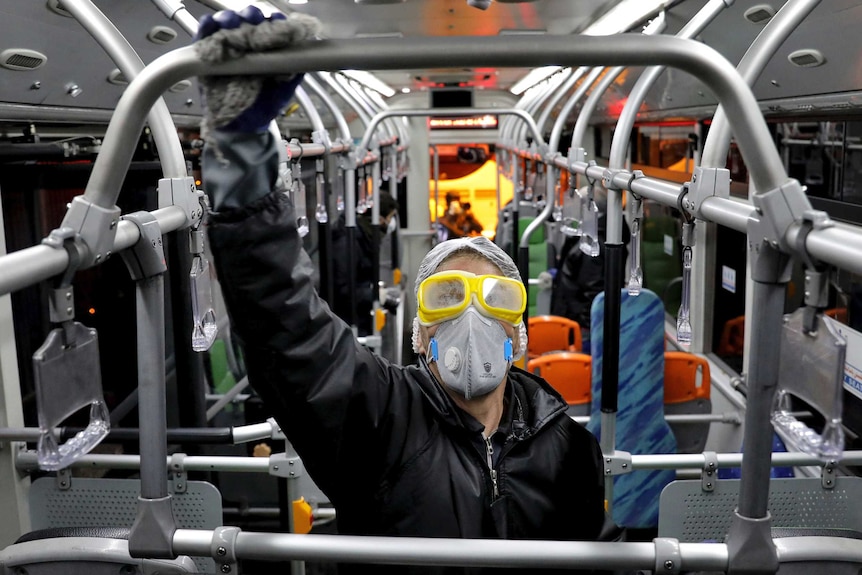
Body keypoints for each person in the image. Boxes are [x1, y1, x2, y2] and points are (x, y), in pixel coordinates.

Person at [197, 7, 607, 573]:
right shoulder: (380, 419)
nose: (472, 315)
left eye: (496, 299)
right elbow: (286, 330)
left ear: (520, 334)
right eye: (447, 296)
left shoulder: (566, 443)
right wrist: (241, 155)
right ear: (419, 333)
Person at [330, 190, 399, 335]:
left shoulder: (364, 238)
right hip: (347, 323)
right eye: (390, 217)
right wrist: (373, 294)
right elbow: (342, 289)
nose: (391, 223)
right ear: (380, 219)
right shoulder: (348, 242)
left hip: (357, 317)